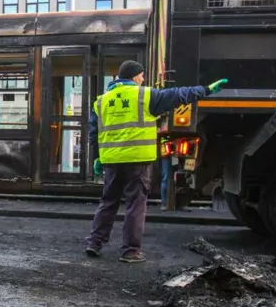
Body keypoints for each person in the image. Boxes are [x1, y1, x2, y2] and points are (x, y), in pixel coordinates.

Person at [84, 60, 225, 262]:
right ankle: (130, 252)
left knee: (107, 203)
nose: (142, 79)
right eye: (141, 76)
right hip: (137, 161)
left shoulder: (101, 101)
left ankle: (94, 243)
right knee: (135, 206)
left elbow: (93, 133)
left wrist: (97, 157)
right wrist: (206, 89)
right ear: (134, 77)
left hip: (112, 161)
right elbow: (178, 95)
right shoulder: (145, 95)